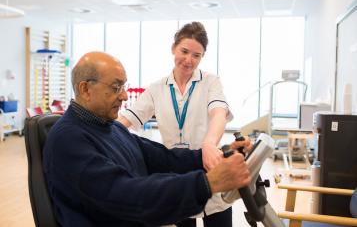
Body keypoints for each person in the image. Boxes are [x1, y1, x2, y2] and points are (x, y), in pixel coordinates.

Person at [43, 51, 252, 227]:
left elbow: (163, 158)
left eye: (124, 86)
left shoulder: (110, 127)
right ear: (85, 89)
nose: (124, 96)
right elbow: (126, 195)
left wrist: (216, 155)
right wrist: (207, 184)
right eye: (116, 87)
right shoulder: (68, 140)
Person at [118, 21, 235, 227]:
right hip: (178, 177)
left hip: (210, 166)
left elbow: (219, 113)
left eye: (196, 55)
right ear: (173, 48)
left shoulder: (210, 82)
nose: (189, 60)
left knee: (218, 215)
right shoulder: (157, 89)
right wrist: (98, 134)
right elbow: (126, 119)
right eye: (184, 51)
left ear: (202, 57)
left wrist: (209, 144)